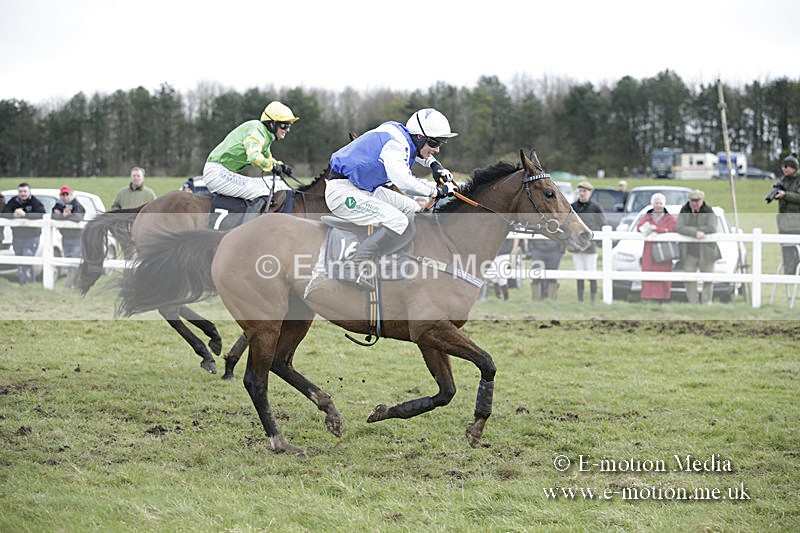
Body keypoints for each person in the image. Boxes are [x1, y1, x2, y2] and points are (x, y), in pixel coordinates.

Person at [326, 108, 458, 290]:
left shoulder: (401, 136)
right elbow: (402, 180)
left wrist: (434, 164)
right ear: (419, 136)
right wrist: (436, 191)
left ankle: (394, 256)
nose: (437, 149)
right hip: (342, 193)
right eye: (434, 143)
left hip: (363, 189)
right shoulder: (395, 144)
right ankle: (352, 266)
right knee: (398, 221)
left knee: (414, 209)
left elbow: (414, 153)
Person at [203, 100, 298, 219]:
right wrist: (272, 166)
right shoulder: (257, 130)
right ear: (272, 123)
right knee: (262, 191)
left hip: (223, 171)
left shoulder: (265, 135)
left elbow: (268, 158)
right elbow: (254, 156)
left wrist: (281, 166)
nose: (287, 129)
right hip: (216, 172)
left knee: (275, 184)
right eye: (284, 125)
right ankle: (249, 231)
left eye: (289, 125)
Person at [676, 189, 721, 304]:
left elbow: (712, 228)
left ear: (702, 200)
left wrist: (699, 231)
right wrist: (695, 232)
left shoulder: (709, 210)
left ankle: (706, 302)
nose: (695, 203)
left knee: (708, 279)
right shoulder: (684, 210)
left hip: (707, 252)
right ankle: (693, 303)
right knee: (689, 279)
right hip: (689, 252)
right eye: (692, 200)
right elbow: (679, 227)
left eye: (697, 200)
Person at [571, 181, 608, 303]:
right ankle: (580, 299)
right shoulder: (573, 207)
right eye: (580, 191)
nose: (582, 194)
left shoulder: (595, 207)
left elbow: (603, 224)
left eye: (584, 191)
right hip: (576, 246)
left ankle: (593, 298)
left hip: (590, 246)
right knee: (579, 272)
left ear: (590, 193)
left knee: (591, 272)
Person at [2, 183, 46, 284]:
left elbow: (41, 213)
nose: (23, 194)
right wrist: (13, 214)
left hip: (32, 237)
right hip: (17, 236)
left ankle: (30, 282)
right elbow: (5, 212)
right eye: (20, 191)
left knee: (27, 259)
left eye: (25, 191)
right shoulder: (14, 201)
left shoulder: (35, 202)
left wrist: (25, 214)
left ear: (29, 192)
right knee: (19, 260)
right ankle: (23, 283)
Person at [637, 193, 676, 303]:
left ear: (664, 204)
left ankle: (663, 299)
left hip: (664, 250)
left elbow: (673, 228)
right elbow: (639, 227)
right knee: (648, 272)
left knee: (664, 273)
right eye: (656, 203)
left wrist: (657, 229)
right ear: (652, 204)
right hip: (649, 250)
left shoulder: (670, 218)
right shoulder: (646, 217)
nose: (658, 205)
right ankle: (648, 298)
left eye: (660, 203)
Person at [52, 185, 86, 289]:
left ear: (70, 194)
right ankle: (76, 284)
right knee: (69, 262)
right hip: (65, 238)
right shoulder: (58, 205)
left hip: (77, 239)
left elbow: (79, 217)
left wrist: (66, 215)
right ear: (60, 195)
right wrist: (63, 215)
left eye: (67, 194)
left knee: (73, 263)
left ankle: (67, 287)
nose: (65, 196)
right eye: (63, 194)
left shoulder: (76, 204)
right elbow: (53, 216)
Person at [774, 154, 800, 277]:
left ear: (794, 168)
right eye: (782, 166)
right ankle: (789, 274)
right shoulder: (784, 180)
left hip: (796, 224)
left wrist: (786, 195)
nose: (783, 169)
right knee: (787, 254)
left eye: (786, 166)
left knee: (796, 252)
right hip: (784, 224)